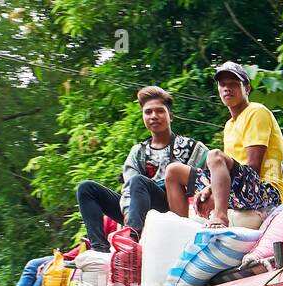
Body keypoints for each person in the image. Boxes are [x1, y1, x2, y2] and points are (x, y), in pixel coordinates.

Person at [76, 86, 209, 252]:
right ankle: (99, 247)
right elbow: (127, 192)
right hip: (135, 209)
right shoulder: (138, 151)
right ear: (143, 117)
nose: (154, 116)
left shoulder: (192, 147)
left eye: (160, 111)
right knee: (86, 188)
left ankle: (131, 238)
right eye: (148, 112)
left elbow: (209, 179)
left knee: (139, 181)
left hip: (172, 208)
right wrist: (129, 214)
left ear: (171, 116)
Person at [164, 63, 283, 228]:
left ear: (247, 89)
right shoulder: (229, 125)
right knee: (173, 171)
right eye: (222, 85)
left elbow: (252, 168)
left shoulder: (256, 111)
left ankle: (220, 216)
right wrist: (210, 189)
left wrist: (216, 196)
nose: (227, 89)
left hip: (266, 191)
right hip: (240, 186)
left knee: (214, 155)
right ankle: (180, 227)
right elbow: (227, 172)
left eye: (233, 84)